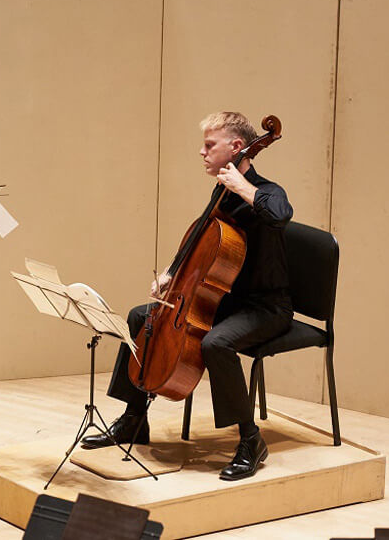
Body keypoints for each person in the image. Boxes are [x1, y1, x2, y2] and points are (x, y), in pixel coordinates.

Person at [81, 111, 293, 481]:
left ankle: (250, 439)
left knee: (216, 344)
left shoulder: (266, 191)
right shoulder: (221, 193)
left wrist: (243, 186)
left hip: (265, 307)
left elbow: (281, 215)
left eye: (210, 145)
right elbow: (200, 240)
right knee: (138, 317)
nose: (202, 152)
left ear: (237, 147)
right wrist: (170, 274)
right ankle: (134, 419)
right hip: (223, 300)